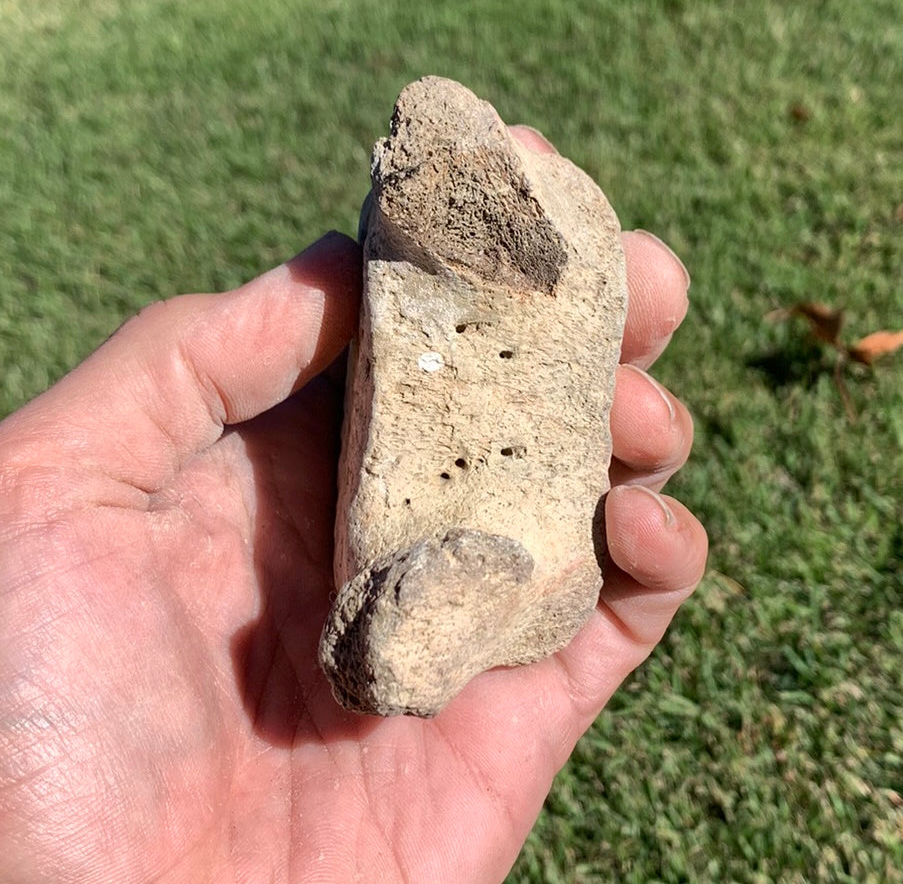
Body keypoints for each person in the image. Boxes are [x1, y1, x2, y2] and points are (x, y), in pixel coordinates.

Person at [0, 126, 706, 883]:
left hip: (503, 551)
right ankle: (425, 616)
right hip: (465, 551)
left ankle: (430, 614)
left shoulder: (552, 228)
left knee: (510, 570)